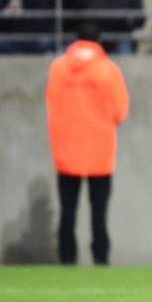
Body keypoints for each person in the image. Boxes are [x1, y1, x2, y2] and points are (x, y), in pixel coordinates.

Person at [46, 22, 130, 264]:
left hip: (66, 149)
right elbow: (121, 110)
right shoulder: (108, 69)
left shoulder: (58, 68)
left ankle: (67, 258)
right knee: (99, 211)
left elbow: (51, 104)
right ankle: (100, 257)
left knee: (68, 211)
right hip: (100, 150)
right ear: (99, 40)